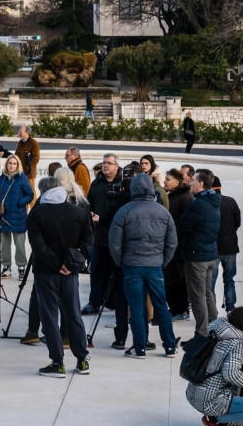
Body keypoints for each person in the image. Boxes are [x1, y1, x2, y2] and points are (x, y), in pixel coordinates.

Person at [107, 170, 179, 358]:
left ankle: (139, 347)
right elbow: (172, 242)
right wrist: (163, 261)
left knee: (136, 308)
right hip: (155, 266)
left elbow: (114, 242)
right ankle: (170, 346)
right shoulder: (163, 212)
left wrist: (120, 261)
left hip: (131, 266)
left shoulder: (125, 211)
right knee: (161, 305)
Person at [26, 179, 93, 377]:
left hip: (46, 272)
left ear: (43, 191)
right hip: (70, 272)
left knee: (49, 316)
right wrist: (73, 264)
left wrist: (57, 265)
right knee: (73, 314)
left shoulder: (37, 213)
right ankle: (82, 359)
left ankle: (57, 362)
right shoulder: (79, 211)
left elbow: (38, 246)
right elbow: (89, 239)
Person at [186, 307, 243, 426]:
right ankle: (216, 420)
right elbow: (230, 374)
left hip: (193, 393)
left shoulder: (214, 329)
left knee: (238, 383)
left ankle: (233, 423)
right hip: (210, 401)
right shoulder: (237, 343)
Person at [83, 153, 126, 315]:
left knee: (117, 272)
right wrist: (91, 214)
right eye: (104, 163)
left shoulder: (124, 183)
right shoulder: (97, 183)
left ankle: (115, 303)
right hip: (99, 235)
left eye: (109, 163)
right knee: (96, 270)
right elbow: (89, 203)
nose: (105, 165)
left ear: (117, 166)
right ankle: (94, 302)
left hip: (118, 237)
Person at [180, 171, 222, 337]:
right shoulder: (213, 200)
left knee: (198, 297)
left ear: (202, 184)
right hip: (210, 254)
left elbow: (183, 224)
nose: (191, 183)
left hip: (197, 255)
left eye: (194, 181)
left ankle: (202, 334)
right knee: (207, 294)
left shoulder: (199, 204)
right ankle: (214, 329)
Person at [0, 154, 34, 279]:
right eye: (10, 163)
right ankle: (6, 267)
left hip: (18, 216)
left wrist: (20, 202)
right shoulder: (1, 178)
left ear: (18, 165)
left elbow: (30, 195)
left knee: (20, 244)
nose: (12, 165)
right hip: (3, 216)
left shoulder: (22, 178)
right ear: (6, 164)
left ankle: (21, 267)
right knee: (5, 244)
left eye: (14, 163)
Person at [165, 165, 195, 321]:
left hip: (179, 247)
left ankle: (181, 309)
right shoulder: (171, 196)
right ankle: (174, 308)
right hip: (171, 245)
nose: (165, 182)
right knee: (170, 279)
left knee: (178, 280)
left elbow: (187, 223)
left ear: (177, 182)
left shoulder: (184, 198)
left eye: (168, 180)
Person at [209, 177, 241, 311]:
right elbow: (237, 222)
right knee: (229, 279)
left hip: (214, 248)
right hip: (230, 247)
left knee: (210, 283)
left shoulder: (207, 203)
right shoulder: (231, 201)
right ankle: (230, 307)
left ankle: (212, 310)